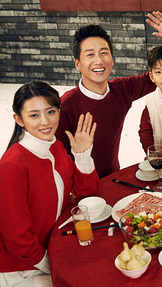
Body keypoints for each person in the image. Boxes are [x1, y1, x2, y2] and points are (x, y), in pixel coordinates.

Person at [56, 12, 162, 178]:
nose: (99, 61)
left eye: (104, 53)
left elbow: (159, 77)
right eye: (90, 55)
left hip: (112, 177)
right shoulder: (65, 105)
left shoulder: (121, 90)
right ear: (77, 63)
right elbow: (53, 158)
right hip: (78, 187)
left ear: (112, 59)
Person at [0, 82, 99, 287]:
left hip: (57, 245)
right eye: (34, 115)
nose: (45, 122)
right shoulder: (12, 165)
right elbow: (18, 240)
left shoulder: (56, 146)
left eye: (51, 111)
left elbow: (85, 193)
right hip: (23, 268)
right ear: (19, 119)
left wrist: (82, 155)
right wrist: (55, 264)